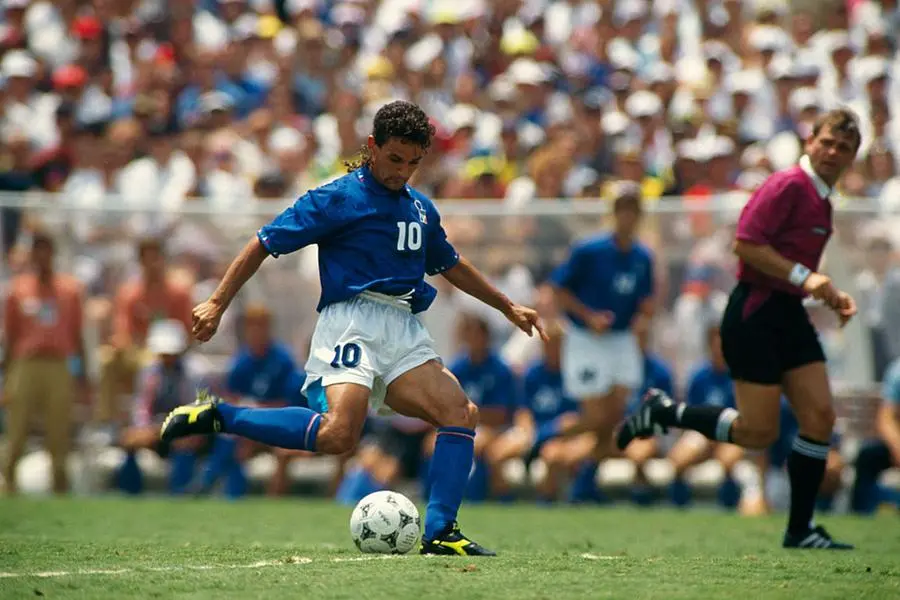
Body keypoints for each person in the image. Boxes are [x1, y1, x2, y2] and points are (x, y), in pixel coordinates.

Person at [160, 101, 545, 556]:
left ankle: (441, 531)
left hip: (404, 326)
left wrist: (507, 306)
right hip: (352, 321)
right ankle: (221, 415)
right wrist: (217, 301)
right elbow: (263, 242)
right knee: (339, 435)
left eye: (413, 163)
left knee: (461, 413)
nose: (402, 171)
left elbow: (451, 265)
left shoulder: (421, 208)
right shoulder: (337, 197)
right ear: (372, 147)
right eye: (395, 159)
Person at [617, 109, 861, 550]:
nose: (833, 152)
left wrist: (830, 295)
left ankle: (801, 529)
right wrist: (809, 278)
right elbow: (745, 244)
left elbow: (795, 268)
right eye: (827, 142)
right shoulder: (788, 183)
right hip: (755, 313)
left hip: (788, 313)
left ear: (852, 157)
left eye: (844, 148)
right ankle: (666, 412)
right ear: (810, 141)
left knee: (821, 417)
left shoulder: (823, 197)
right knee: (757, 432)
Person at [528, 183, 655, 488]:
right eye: (622, 209)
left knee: (613, 417)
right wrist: (589, 317)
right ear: (613, 213)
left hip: (622, 338)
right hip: (588, 339)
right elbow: (559, 288)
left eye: (632, 209)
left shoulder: (642, 256)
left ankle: (582, 473)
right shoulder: (590, 250)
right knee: (596, 416)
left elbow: (645, 299)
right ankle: (542, 439)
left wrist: (643, 319)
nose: (627, 215)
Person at [2, 231, 89, 495]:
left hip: (58, 364)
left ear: (53, 253)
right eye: (36, 250)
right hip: (25, 363)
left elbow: (77, 334)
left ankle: (59, 486)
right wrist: (7, 374)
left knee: (58, 429)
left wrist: (83, 373)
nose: (41, 256)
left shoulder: (69, 290)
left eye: (46, 249)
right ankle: (8, 485)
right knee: (17, 427)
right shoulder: (18, 289)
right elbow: (11, 335)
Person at [200, 304, 307, 497]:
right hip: (248, 426)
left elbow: (290, 404)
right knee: (228, 437)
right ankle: (219, 491)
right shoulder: (242, 361)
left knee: (241, 441)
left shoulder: (283, 360)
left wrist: (257, 410)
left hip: (276, 425)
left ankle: (215, 489)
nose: (256, 331)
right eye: (252, 326)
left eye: (261, 326)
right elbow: (231, 395)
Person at [484, 319, 581, 502]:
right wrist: (527, 431)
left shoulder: (573, 375)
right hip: (534, 431)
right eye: (547, 345)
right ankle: (505, 502)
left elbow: (577, 416)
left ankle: (545, 502)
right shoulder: (533, 374)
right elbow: (523, 409)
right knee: (496, 453)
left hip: (559, 435)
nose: (551, 350)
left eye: (555, 345)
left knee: (551, 455)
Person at [117, 320, 210, 495]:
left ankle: (180, 494)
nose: (167, 357)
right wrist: (142, 431)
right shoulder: (149, 372)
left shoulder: (196, 372)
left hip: (189, 431)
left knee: (184, 442)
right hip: (159, 430)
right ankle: (130, 494)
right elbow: (142, 408)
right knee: (129, 440)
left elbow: (199, 412)